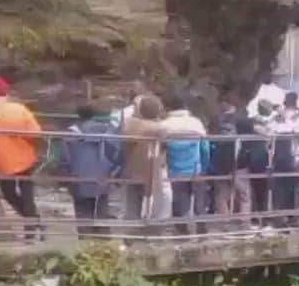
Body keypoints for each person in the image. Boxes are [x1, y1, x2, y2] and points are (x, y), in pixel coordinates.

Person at [0, 76, 43, 242]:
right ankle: (32, 228)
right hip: (27, 158)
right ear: (6, 93)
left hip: (2, 162)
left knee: (9, 193)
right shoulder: (20, 109)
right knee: (28, 195)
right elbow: (36, 134)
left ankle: (34, 224)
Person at [63, 104, 118, 239]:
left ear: (78, 115)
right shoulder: (106, 130)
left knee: (82, 212)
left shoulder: (70, 133)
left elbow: (66, 159)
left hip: (79, 179)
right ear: (94, 115)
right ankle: (104, 243)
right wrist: (113, 172)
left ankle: (86, 243)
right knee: (102, 211)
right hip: (102, 177)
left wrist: (66, 178)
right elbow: (115, 153)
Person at [160, 91, 210, 235]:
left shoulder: (164, 125)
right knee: (200, 197)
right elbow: (204, 147)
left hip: (175, 168)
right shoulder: (195, 122)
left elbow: (161, 148)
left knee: (179, 198)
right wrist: (205, 165)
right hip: (195, 167)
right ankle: (201, 226)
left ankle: (182, 228)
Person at [122, 94, 167, 224]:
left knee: (133, 201)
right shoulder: (161, 127)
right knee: (153, 201)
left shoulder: (133, 125)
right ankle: (151, 223)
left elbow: (126, 141)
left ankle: (133, 224)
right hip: (153, 170)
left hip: (135, 168)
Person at [237, 116, 270, 220]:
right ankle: (259, 216)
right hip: (256, 163)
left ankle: (258, 216)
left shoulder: (247, 134)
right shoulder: (253, 134)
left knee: (255, 192)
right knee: (257, 192)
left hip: (254, 163)